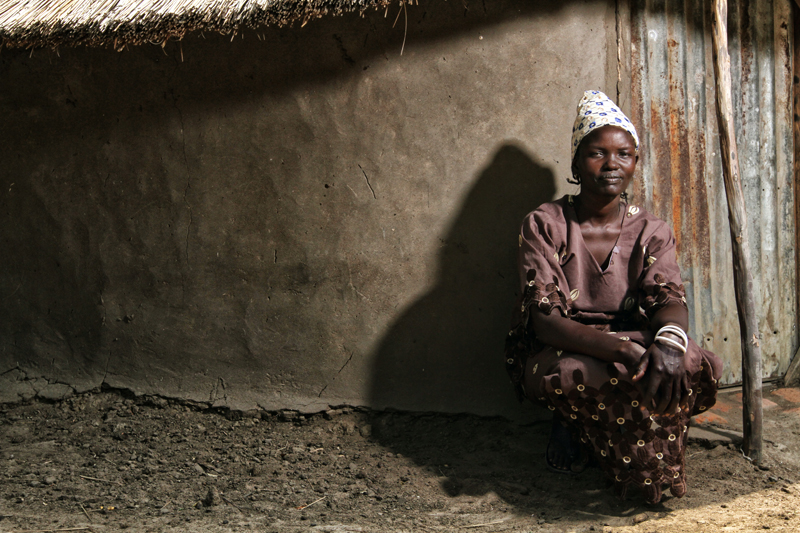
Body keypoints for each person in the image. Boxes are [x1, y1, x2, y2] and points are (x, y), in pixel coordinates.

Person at [504, 90, 722, 504]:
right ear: (575, 162)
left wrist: (670, 341)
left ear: (635, 163)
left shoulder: (651, 230)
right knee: (577, 373)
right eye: (596, 153)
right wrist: (621, 351)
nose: (610, 165)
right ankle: (571, 423)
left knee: (685, 360)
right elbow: (546, 321)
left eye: (623, 154)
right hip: (565, 345)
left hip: (632, 341)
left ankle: (627, 447)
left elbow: (668, 298)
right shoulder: (545, 224)